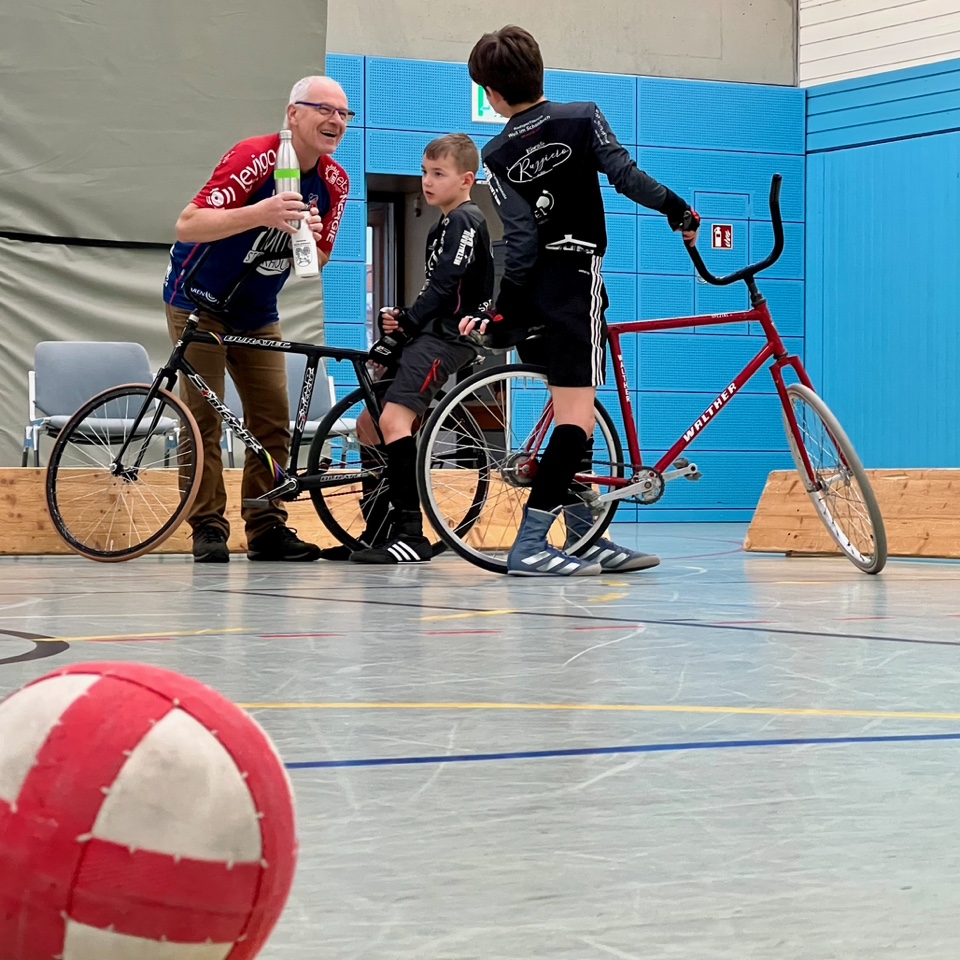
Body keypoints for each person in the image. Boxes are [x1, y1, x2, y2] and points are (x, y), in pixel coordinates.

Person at [464, 25, 701, 577]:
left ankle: (584, 535)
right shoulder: (582, 116)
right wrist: (677, 209)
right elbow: (625, 176)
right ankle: (529, 545)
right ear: (541, 72)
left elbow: (519, 242)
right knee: (575, 419)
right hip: (574, 277)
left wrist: (506, 307)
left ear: (492, 95)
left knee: (582, 412)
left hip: (535, 287)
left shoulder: (497, 152)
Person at [163, 76, 351, 563]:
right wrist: (261, 213)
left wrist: (304, 237)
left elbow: (320, 262)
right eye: (324, 110)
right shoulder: (255, 156)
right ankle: (207, 527)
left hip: (256, 310)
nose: (336, 121)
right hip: (197, 298)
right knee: (202, 418)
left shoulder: (336, 182)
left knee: (271, 421)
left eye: (344, 114)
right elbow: (188, 223)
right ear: (293, 114)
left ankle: (266, 526)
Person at [319, 133, 493, 564]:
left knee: (395, 420)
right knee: (369, 425)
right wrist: (404, 318)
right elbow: (437, 290)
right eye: (424, 172)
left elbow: (447, 284)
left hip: (449, 338)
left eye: (438, 174)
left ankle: (410, 534)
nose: (428, 181)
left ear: (467, 179)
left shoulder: (467, 220)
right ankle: (378, 532)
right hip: (428, 332)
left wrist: (409, 323)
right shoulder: (442, 224)